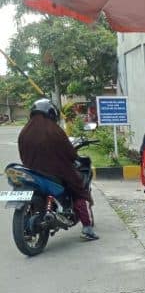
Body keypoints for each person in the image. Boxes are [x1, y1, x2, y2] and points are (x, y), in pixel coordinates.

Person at [18, 98, 99, 241]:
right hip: (56, 172)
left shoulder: (24, 131)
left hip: (32, 172)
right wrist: (75, 158)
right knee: (79, 190)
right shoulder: (54, 130)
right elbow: (70, 153)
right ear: (51, 113)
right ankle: (87, 228)